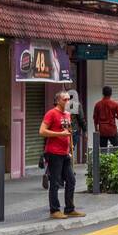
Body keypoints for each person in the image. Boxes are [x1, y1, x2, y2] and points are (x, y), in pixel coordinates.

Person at [40, 92, 84, 220]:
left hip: (65, 153)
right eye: (65, 99)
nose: (67, 101)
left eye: (69, 99)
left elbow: (68, 132)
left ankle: (69, 209)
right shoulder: (51, 113)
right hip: (54, 153)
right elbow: (42, 131)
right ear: (58, 100)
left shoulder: (67, 115)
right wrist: (59, 134)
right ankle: (54, 210)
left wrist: (70, 148)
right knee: (55, 182)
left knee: (71, 180)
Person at [92, 86, 118, 152]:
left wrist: (96, 129)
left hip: (102, 130)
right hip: (112, 129)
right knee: (116, 148)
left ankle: (104, 161)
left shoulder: (98, 104)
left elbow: (95, 119)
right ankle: (115, 161)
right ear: (111, 93)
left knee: (103, 149)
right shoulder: (115, 104)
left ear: (103, 93)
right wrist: (115, 116)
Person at [65, 89, 85, 161]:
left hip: (64, 130)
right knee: (70, 150)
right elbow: (81, 119)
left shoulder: (63, 104)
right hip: (74, 130)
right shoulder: (77, 105)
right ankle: (68, 169)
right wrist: (85, 130)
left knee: (65, 150)